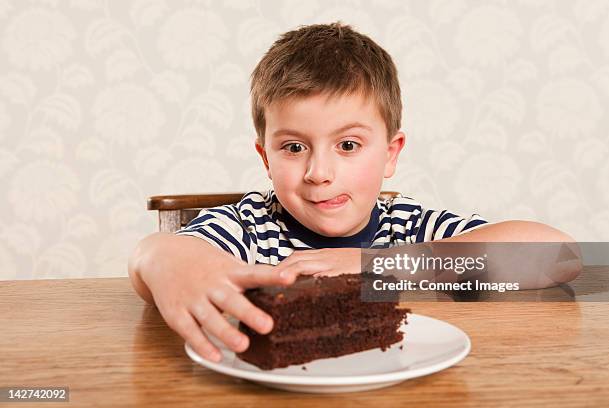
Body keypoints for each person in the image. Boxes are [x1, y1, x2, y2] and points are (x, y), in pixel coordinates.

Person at [128, 22, 581, 364]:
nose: (319, 172)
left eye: (348, 145)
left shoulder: (410, 227)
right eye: (293, 147)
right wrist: (169, 265)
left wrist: (380, 264)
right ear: (265, 158)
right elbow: (155, 257)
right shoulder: (248, 230)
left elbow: (560, 255)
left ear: (390, 153)